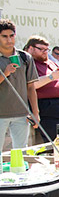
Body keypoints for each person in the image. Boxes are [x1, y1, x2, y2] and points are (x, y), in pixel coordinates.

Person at [0, 20, 39, 148]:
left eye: (11, 36)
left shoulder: (25, 57)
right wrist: (5, 74)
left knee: (21, 154)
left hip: (21, 114)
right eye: (4, 36)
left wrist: (35, 112)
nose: (9, 40)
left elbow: (31, 87)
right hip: (1, 114)